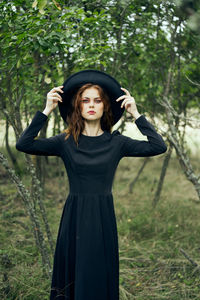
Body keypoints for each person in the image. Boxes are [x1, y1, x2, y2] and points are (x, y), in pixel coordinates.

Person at [16, 69, 167, 300]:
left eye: (97, 100)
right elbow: (24, 144)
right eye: (85, 100)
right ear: (78, 106)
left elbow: (158, 146)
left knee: (98, 273)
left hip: (103, 217)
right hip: (74, 217)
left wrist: (136, 114)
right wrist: (46, 109)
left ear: (106, 106)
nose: (91, 105)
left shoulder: (117, 143)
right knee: (74, 274)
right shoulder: (65, 142)